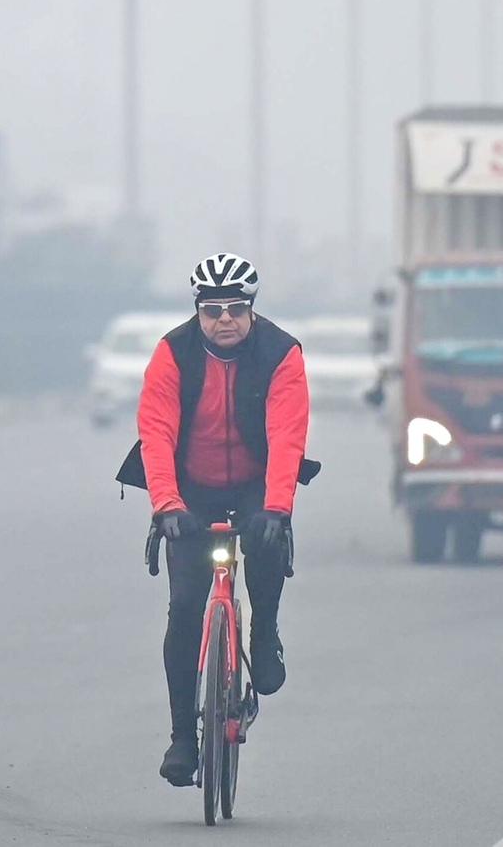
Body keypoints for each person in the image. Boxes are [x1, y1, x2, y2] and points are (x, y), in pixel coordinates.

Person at [115, 252, 315, 787]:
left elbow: (287, 437)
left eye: (234, 309)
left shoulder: (280, 353)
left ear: (250, 311)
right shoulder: (172, 353)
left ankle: (264, 632)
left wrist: (277, 508)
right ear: (198, 313)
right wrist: (166, 505)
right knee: (183, 609)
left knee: (266, 543)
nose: (224, 319)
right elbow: (154, 433)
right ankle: (183, 735)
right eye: (212, 310)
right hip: (191, 486)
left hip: (256, 479)